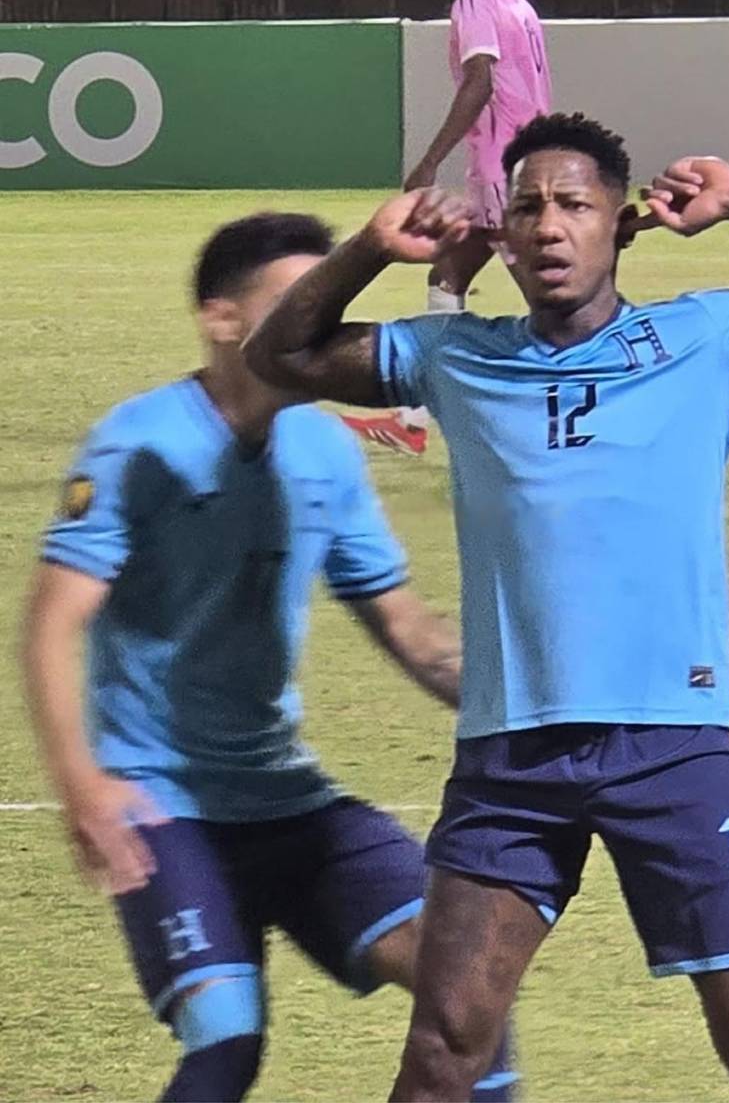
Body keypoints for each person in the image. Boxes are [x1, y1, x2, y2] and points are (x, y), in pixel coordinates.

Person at [243, 113, 729, 1102]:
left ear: (622, 222)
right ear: (505, 237)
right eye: (527, 208)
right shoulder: (453, 355)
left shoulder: (707, 335)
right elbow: (280, 355)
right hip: (512, 759)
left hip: (673, 744)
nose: (550, 226)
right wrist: (368, 249)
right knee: (443, 1045)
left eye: (573, 204)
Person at [21, 212, 518, 1103]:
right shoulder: (137, 445)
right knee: (227, 1039)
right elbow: (50, 623)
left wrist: (530, 710)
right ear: (220, 319)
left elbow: (409, 630)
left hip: (287, 799)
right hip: (161, 803)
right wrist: (82, 786)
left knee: (467, 993)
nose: (315, 319)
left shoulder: (324, 448)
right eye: (294, 299)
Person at [343, 0, 551, 456]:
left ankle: (586, 410)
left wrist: (430, 161)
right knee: (448, 275)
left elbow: (480, 80)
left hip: (506, 167)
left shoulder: (474, 0)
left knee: (547, 298)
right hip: (517, 158)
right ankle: (413, 419)